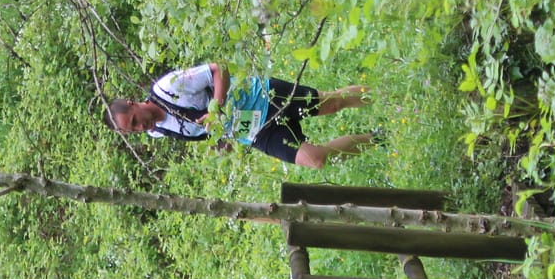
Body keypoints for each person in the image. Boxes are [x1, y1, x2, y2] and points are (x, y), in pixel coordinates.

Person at [106, 61, 375, 169]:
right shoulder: (157, 132)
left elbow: (218, 69)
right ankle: (378, 139)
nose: (140, 127)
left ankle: (387, 95)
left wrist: (217, 107)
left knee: (331, 103)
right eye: (133, 130)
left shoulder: (169, 87)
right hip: (254, 132)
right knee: (315, 160)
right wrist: (220, 141)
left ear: (133, 103)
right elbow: (202, 130)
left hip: (262, 97)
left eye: (134, 120)